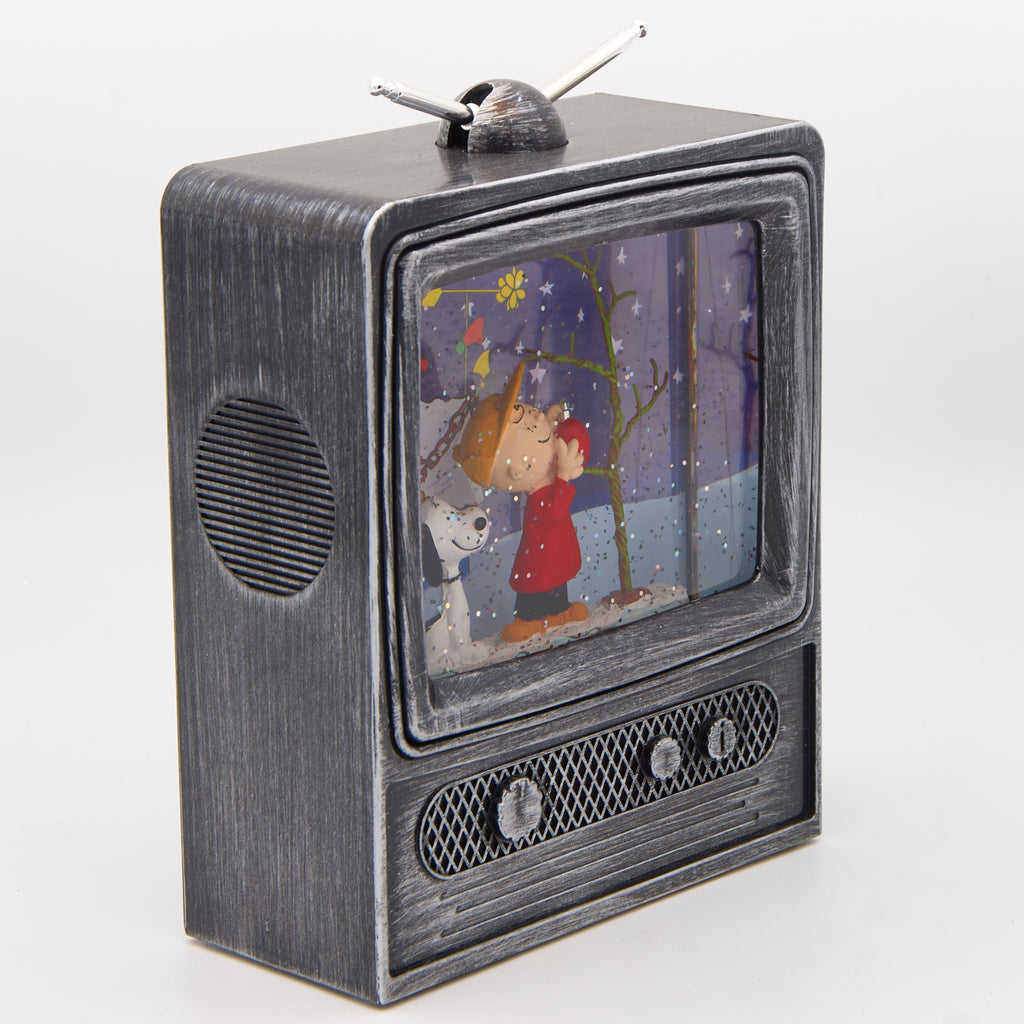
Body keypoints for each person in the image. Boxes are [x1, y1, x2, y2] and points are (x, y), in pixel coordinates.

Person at [453, 361, 590, 642]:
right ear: (518, 471)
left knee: (557, 578)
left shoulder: (543, 470)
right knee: (537, 584)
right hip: (541, 555)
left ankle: (560, 611)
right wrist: (563, 476)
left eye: (526, 411)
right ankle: (528, 620)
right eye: (528, 423)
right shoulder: (539, 496)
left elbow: (549, 440)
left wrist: (551, 422)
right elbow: (553, 513)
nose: (536, 417)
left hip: (556, 549)